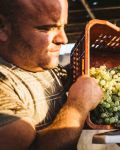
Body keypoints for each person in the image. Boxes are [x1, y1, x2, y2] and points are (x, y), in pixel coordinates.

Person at [0, 0, 103, 149]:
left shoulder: (41, 64)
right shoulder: (4, 82)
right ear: (3, 28)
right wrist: (77, 106)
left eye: (63, 27)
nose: (63, 39)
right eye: (46, 28)